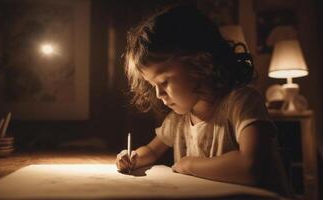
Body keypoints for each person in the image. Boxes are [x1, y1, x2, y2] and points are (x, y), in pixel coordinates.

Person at [115, 5, 290, 196]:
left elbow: (250, 167)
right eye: (153, 85)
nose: (158, 94)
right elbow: (151, 150)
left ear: (201, 63)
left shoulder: (242, 102)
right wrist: (133, 158)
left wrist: (189, 164)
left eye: (164, 81)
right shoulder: (178, 119)